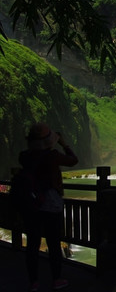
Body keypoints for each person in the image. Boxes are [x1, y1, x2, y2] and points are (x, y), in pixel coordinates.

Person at [18, 122, 78, 291]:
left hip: (31, 204)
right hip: (51, 204)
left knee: (32, 244)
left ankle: (33, 282)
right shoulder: (52, 156)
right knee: (53, 242)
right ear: (48, 141)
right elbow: (74, 160)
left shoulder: (24, 156)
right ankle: (57, 279)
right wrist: (64, 144)